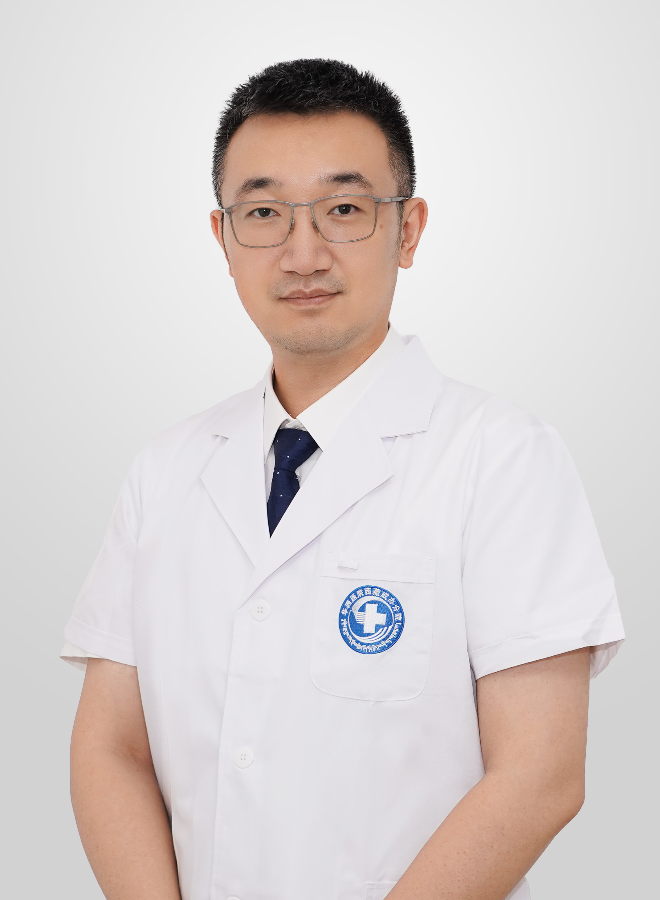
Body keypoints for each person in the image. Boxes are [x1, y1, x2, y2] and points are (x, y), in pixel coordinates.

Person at [62, 58, 624, 900]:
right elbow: (112, 749)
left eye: (345, 210)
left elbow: (540, 776)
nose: (304, 253)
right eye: (264, 213)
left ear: (409, 230)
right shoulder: (166, 469)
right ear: (222, 239)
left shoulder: (502, 457)